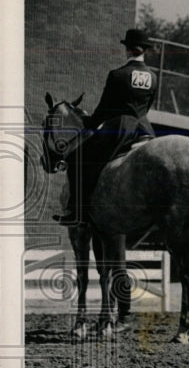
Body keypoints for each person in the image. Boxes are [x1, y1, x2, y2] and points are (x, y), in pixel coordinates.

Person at [55, 28, 158, 224]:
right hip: (145, 129)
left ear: (127, 50)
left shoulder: (117, 75)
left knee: (77, 159)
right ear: (145, 50)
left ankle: (77, 213)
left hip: (120, 129)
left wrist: (89, 122)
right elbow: (147, 106)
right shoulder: (154, 78)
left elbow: (104, 109)